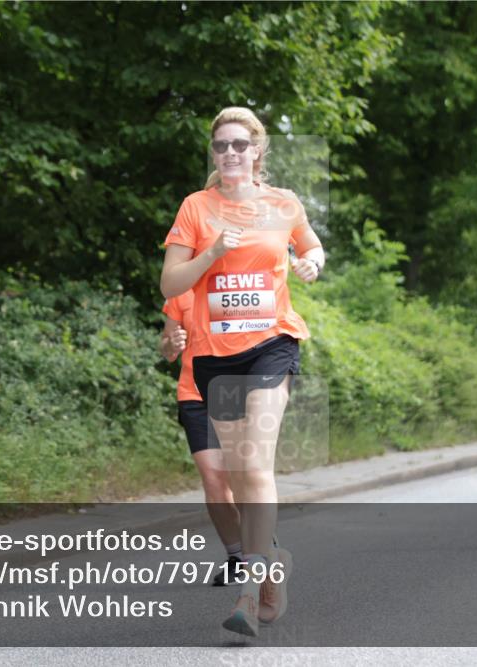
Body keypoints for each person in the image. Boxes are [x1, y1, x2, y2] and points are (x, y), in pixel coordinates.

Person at [160, 107, 324, 636]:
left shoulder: (283, 204)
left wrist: (311, 263)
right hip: (213, 357)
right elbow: (170, 284)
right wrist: (211, 251)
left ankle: (248, 596)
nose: (229, 153)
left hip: (273, 344)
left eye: (239, 145)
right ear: (214, 153)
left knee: (255, 467)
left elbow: (311, 245)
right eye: (221, 146)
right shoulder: (196, 207)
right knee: (237, 476)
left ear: (257, 152)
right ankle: (273, 568)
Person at [161, 291, 244, 586]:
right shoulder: (180, 294)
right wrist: (172, 344)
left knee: (242, 477)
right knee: (213, 477)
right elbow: (167, 349)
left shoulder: (233, 286)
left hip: (234, 391)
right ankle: (237, 556)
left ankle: (260, 544)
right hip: (194, 394)